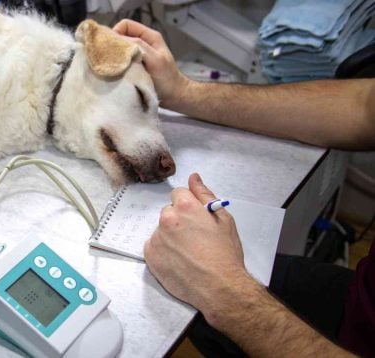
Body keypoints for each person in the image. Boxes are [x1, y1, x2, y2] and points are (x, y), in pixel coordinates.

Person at [113, 19, 375, 357]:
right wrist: (183, 91)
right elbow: (362, 108)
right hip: (362, 305)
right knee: (190, 310)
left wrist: (225, 292)